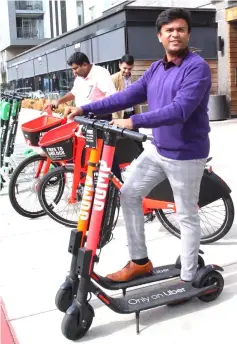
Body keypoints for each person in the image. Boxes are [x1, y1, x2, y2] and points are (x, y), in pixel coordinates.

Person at [69, 8, 211, 283]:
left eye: (180, 29)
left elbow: (179, 110)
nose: (175, 34)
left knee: (185, 215)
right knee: (130, 194)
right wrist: (85, 109)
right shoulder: (156, 69)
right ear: (160, 36)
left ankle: (188, 278)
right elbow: (124, 97)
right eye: (169, 30)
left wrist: (133, 122)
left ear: (188, 34)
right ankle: (139, 261)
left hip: (186, 155)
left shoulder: (197, 67)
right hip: (158, 150)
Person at [53, 52, 116, 117]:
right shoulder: (79, 77)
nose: (74, 72)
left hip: (98, 117)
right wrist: (59, 101)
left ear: (85, 65)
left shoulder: (100, 73)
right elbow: (73, 93)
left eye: (75, 68)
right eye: (73, 69)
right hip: (81, 115)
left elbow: (111, 97)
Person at [112, 54, 140, 120]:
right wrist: (115, 118)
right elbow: (111, 99)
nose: (127, 71)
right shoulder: (114, 79)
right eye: (124, 68)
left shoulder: (135, 79)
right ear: (120, 65)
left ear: (133, 67)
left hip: (133, 113)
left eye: (129, 69)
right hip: (120, 115)